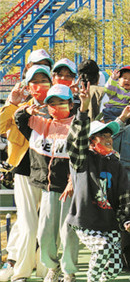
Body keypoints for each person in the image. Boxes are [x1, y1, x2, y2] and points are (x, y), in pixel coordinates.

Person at [66, 87, 130, 282]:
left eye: (109, 136)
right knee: (102, 248)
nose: (108, 139)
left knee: (115, 267)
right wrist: (83, 110)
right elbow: (76, 141)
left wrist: (128, 219)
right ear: (91, 141)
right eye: (102, 136)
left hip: (109, 223)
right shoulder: (82, 160)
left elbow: (125, 195)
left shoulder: (116, 164)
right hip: (86, 220)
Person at [14, 84, 79, 282]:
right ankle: (53, 267)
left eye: (61, 102)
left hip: (69, 189)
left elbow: (82, 157)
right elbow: (19, 119)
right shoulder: (39, 124)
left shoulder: (77, 126)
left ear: (71, 104)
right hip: (48, 189)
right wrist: (27, 110)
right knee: (44, 234)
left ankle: (69, 272)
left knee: (68, 233)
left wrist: (73, 181)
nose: (56, 106)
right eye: (52, 103)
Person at [0, 64, 51, 282]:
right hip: (24, 171)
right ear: (28, 85)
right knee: (28, 224)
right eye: (35, 82)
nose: (39, 86)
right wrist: (12, 104)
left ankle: (45, 270)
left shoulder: (57, 105)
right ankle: (20, 271)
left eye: (44, 81)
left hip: (49, 173)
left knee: (46, 225)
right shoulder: (18, 107)